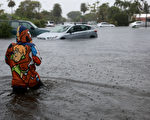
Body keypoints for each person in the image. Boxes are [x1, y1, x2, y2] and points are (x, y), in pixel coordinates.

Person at [5, 25, 43, 94]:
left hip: (16, 82)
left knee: (17, 100)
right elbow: (38, 62)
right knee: (39, 95)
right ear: (27, 35)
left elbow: (7, 61)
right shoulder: (31, 46)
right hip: (32, 80)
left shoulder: (11, 47)